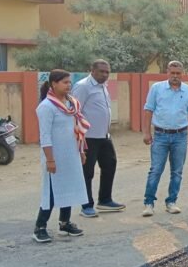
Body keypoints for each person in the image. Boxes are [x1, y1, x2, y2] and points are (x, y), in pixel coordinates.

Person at [33, 69, 88, 243]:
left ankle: (65, 223)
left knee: (69, 188)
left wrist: (81, 151)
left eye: (69, 82)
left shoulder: (72, 104)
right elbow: (45, 136)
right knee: (52, 191)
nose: (68, 85)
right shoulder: (46, 107)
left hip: (71, 153)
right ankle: (40, 227)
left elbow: (77, 129)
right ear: (53, 84)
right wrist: (50, 159)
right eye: (64, 82)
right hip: (54, 156)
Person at [141, 61, 188, 217]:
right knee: (155, 170)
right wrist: (146, 132)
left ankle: (171, 202)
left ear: (182, 73)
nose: (175, 76)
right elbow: (148, 110)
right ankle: (148, 203)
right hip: (160, 136)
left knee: (177, 171)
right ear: (167, 72)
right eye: (172, 73)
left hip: (180, 136)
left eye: (178, 73)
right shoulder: (156, 88)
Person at [71, 59, 125, 218]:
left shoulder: (103, 87)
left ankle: (105, 199)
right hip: (88, 137)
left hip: (104, 136)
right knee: (87, 172)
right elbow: (75, 112)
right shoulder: (83, 86)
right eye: (101, 71)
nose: (105, 74)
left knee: (110, 165)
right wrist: (78, 136)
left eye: (107, 72)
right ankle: (86, 206)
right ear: (92, 70)